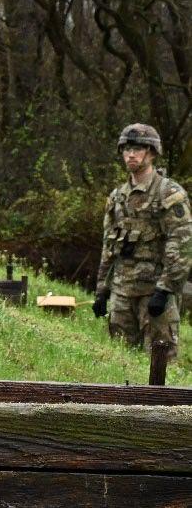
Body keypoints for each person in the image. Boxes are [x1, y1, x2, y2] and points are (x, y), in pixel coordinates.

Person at [93, 123, 190, 385]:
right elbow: (108, 246)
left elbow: (181, 243)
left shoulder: (168, 194)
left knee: (162, 365)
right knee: (120, 362)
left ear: (152, 153)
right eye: (127, 149)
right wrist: (102, 290)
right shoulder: (117, 198)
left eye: (138, 149)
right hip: (123, 294)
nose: (131, 155)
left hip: (155, 294)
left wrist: (166, 288)